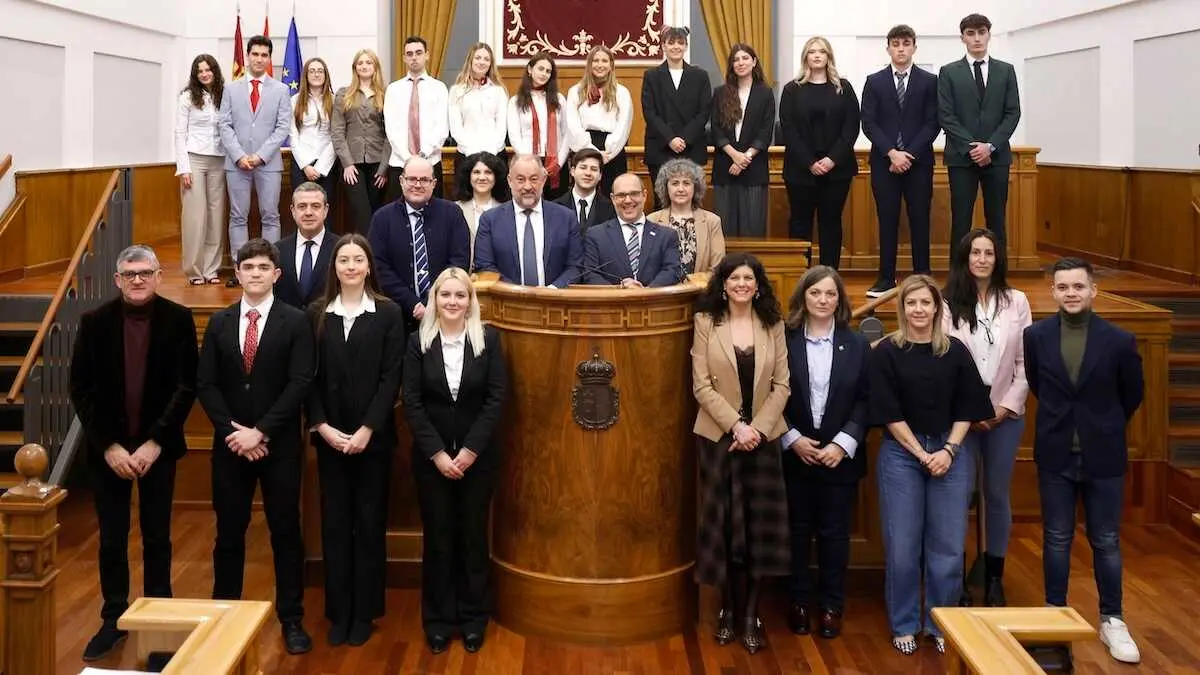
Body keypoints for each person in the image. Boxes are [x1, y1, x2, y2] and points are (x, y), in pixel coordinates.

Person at [69, 245, 198, 662]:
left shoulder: (179, 321)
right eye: (130, 273)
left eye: (145, 272)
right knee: (111, 538)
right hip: (109, 453)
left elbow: (186, 387)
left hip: (157, 449)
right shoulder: (93, 323)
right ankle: (114, 618)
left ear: (159, 276)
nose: (138, 279)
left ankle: (159, 618)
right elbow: (81, 389)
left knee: (158, 537)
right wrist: (109, 445)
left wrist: (155, 441)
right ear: (118, 280)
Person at [196, 238, 315, 654]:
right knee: (229, 533)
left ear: (276, 274)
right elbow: (206, 384)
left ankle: (292, 618)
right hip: (230, 448)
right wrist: (236, 433)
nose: (256, 274)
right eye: (248, 268)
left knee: (285, 532)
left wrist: (260, 432)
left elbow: (300, 383)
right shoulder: (220, 322)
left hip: (277, 447)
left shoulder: (296, 321)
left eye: (264, 267)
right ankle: (224, 614)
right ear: (239, 274)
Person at [1024, 257, 1144, 664]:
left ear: (1093, 290)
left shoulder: (1119, 340)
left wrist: (1102, 426)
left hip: (1103, 453)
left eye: (1078, 286)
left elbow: (1133, 395)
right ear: (1053, 292)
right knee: (1056, 538)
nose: (1070, 293)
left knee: (1106, 540)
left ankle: (1112, 619)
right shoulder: (1036, 336)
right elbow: (1040, 385)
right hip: (1056, 452)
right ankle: (1054, 615)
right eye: (1063, 287)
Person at [869, 274, 993, 656]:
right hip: (901, 455)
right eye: (911, 304)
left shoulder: (954, 351)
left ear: (937, 308)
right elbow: (887, 411)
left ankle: (942, 623)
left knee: (949, 547)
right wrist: (921, 454)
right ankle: (904, 623)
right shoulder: (886, 351)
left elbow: (968, 408)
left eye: (926, 303)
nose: (919, 310)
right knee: (903, 546)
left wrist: (949, 451)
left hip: (950, 453)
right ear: (901, 309)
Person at [307, 233, 405, 647]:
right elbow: (306, 379)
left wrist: (367, 429)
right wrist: (322, 426)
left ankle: (364, 612)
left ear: (368, 267)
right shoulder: (316, 314)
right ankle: (339, 611)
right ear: (334, 266)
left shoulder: (388, 313)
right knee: (334, 525)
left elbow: (391, 378)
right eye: (343, 259)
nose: (350, 266)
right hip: (330, 438)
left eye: (357, 259)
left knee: (368, 525)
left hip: (372, 441)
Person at [403, 267, 508, 655]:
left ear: (470, 301)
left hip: (476, 460)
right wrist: (438, 454)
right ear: (435, 301)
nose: (452, 302)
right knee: (439, 540)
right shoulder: (417, 343)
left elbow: (496, 399)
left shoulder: (489, 341)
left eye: (459, 295)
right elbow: (411, 403)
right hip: (431, 461)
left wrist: (467, 453)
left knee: (472, 538)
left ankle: (473, 618)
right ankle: (438, 620)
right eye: (445, 295)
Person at [691, 252, 791, 655]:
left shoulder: (773, 323)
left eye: (749, 278)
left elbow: (782, 385)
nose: (742, 284)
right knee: (726, 530)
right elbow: (701, 385)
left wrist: (757, 431)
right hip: (719, 438)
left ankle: (752, 615)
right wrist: (736, 426)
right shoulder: (705, 322)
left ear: (758, 284)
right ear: (724, 284)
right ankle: (728, 612)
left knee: (758, 531)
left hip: (763, 443)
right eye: (734, 278)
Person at [942, 228, 1031, 607]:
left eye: (988, 253)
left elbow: (1027, 363)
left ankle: (994, 576)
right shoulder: (947, 302)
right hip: (961, 420)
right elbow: (943, 361)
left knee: (996, 494)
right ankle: (956, 579)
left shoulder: (1017, 300)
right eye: (974, 252)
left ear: (998, 259)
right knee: (957, 497)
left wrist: (1004, 408)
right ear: (964, 258)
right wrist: (970, 412)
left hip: (1004, 416)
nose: (981, 259)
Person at [779, 266, 869, 640]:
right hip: (794, 452)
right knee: (796, 531)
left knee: (835, 535)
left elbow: (866, 401)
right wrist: (791, 438)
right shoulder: (783, 340)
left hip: (839, 456)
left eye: (830, 294)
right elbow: (770, 393)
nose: (823, 300)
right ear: (803, 298)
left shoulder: (857, 343)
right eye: (815, 293)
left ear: (840, 301)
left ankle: (832, 605)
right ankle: (798, 600)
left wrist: (843, 444)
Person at [861, 25, 940, 296]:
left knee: (920, 219)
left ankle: (922, 276)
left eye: (906, 43)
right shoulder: (875, 81)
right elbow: (868, 123)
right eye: (896, 44)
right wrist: (892, 153)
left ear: (914, 47)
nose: (901, 48)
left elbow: (933, 123)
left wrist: (909, 154)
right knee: (887, 219)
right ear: (888, 48)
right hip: (885, 163)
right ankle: (885, 278)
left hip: (918, 163)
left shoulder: (930, 81)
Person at [938, 13, 1022, 253]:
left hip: (996, 158)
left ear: (988, 35)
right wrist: (972, 148)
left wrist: (990, 146)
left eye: (981, 32)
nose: (977, 38)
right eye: (971, 33)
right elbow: (946, 115)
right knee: (961, 221)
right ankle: (957, 282)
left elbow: (1012, 113)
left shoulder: (1006, 71)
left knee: (996, 221)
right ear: (963, 37)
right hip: (961, 158)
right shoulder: (949, 71)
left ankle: (998, 281)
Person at [779, 37, 860, 269]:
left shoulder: (843, 88)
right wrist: (810, 162)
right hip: (800, 170)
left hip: (837, 170)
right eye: (812, 51)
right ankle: (799, 274)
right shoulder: (792, 89)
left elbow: (851, 126)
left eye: (821, 52)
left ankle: (828, 275)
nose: (816, 55)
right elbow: (789, 129)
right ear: (805, 56)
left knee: (831, 224)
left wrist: (831, 159)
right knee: (800, 224)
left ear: (828, 57)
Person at [218, 35, 293, 283]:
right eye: (255, 54)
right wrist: (240, 156)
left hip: (268, 163)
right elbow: (224, 125)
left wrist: (260, 156)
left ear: (270, 58)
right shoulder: (230, 88)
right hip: (236, 164)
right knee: (237, 217)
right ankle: (242, 271)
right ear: (247, 56)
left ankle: (269, 269)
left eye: (264, 55)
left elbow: (282, 128)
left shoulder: (281, 90)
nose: (259, 59)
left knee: (270, 216)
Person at [368, 156, 471, 333]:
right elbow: (379, 267)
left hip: (444, 313)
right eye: (412, 179)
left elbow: (459, 262)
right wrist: (412, 303)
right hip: (396, 316)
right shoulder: (382, 218)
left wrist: (430, 303)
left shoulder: (452, 214)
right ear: (401, 181)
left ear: (434, 183)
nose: (417, 184)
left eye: (424, 180)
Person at [472, 154, 582, 287]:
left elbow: (575, 266)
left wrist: (553, 290)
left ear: (543, 180)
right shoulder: (490, 220)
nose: (528, 186)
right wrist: (518, 293)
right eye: (520, 179)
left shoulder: (566, 218)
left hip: (554, 301)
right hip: (507, 301)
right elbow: (485, 266)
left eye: (534, 179)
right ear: (509, 181)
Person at [641, 26, 712, 210]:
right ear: (663, 46)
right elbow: (649, 112)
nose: (675, 47)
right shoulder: (652, 76)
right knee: (662, 203)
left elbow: (704, 112)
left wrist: (684, 139)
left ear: (686, 46)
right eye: (671, 42)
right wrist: (671, 138)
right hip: (661, 148)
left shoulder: (700, 76)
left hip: (691, 147)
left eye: (680, 43)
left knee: (691, 201)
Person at [710, 43, 775, 238]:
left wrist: (745, 158)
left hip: (753, 168)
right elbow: (715, 129)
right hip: (725, 166)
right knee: (725, 229)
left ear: (754, 62)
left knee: (753, 228)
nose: (741, 63)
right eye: (736, 59)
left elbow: (765, 131)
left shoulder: (765, 93)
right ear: (731, 65)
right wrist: (734, 155)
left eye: (745, 58)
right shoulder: (721, 92)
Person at [175, 54, 226, 285]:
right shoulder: (187, 97)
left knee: (216, 216)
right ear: (195, 75)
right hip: (194, 159)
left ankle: (211, 269)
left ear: (215, 71)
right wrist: (183, 168)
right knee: (196, 216)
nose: (205, 74)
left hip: (220, 159)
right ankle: (194, 270)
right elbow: (179, 133)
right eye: (200, 71)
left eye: (208, 70)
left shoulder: (224, 95)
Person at [582, 173, 681, 287]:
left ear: (644, 195)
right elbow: (590, 274)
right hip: (611, 303)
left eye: (634, 194)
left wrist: (645, 292)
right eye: (621, 195)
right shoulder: (595, 235)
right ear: (613, 199)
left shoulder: (667, 236)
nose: (628, 200)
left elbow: (672, 271)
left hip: (653, 302)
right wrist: (619, 292)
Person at [384, 36, 450, 201]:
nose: (414, 57)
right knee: (398, 217)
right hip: (399, 163)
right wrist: (408, 158)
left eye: (418, 53)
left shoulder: (439, 88)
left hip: (431, 162)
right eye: (410, 53)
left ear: (427, 55)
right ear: (404, 58)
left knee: (433, 215)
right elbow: (391, 129)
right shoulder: (393, 89)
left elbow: (442, 127)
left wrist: (423, 154)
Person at [331, 49, 389, 234]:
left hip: (378, 163)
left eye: (368, 62)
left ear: (375, 67)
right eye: (360, 63)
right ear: (355, 68)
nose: (364, 66)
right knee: (361, 212)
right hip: (352, 165)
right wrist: (347, 164)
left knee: (376, 212)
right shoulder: (344, 94)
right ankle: (364, 255)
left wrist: (384, 168)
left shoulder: (386, 94)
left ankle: (375, 256)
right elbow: (337, 131)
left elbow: (391, 133)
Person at [565, 45, 634, 196]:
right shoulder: (576, 91)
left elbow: (624, 125)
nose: (600, 65)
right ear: (589, 64)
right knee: (585, 194)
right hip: (583, 147)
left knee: (613, 194)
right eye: (595, 61)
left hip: (611, 150)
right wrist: (591, 151)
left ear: (611, 65)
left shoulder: (621, 92)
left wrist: (608, 151)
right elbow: (572, 125)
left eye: (604, 61)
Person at [507, 52, 570, 200]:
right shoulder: (515, 101)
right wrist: (531, 164)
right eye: (540, 69)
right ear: (530, 69)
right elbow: (515, 136)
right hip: (528, 163)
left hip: (556, 163)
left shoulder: (559, 100)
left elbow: (567, 133)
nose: (544, 74)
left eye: (548, 71)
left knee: (555, 207)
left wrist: (558, 162)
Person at [647, 158, 725, 274]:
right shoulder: (651, 220)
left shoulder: (712, 221)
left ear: (696, 187)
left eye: (687, 183)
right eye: (675, 183)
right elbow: (648, 265)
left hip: (701, 289)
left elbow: (717, 267)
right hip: (663, 289)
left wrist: (695, 286)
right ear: (665, 187)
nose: (681, 189)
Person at [289, 57, 339, 221]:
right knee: (303, 212)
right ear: (306, 75)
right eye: (312, 71)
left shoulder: (334, 100)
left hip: (327, 164)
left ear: (325, 75)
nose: (316, 74)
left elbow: (336, 135)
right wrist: (305, 166)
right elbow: (293, 136)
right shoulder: (295, 101)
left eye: (320, 71)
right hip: (302, 164)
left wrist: (321, 166)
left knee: (325, 212)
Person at [274, 182, 335, 309]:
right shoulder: (278, 250)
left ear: (326, 210)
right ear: (293, 211)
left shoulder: (340, 249)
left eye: (315, 206)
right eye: (302, 206)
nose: (308, 212)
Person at [448, 43, 508, 163]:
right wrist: (471, 151)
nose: (482, 62)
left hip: (495, 154)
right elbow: (456, 128)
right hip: (466, 154)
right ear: (470, 60)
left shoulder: (499, 91)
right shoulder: (457, 91)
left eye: (486, 59)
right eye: (478, 58)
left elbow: (501, 126)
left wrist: (491, 152)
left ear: (490, 64)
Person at [453, 150, 508, 264]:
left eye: (488, 172)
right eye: (476, 172)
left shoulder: (507, 210)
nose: (482, 177)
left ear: (496, 177)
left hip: (498, 276)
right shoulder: (454, 209)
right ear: (468, 176)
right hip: (464, 276)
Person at [552, 147, 615, 236]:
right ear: (572, 171)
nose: (588, 173)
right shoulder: (555, 208)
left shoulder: (611, 209)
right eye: (583, 167)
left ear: (600, 175)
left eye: (593, 169)